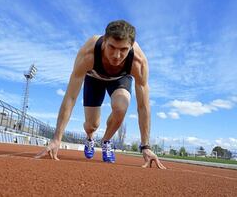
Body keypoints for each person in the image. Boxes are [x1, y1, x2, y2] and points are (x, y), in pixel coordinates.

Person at [35, 20, 166, 169]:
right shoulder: (88, 53)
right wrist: (57, 139)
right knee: (92, 125)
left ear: (131, 47)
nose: (117, 55)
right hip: (94, 78)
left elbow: (143, 106)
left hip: (120, 79)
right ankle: (90, 137)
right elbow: (70, 97)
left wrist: (145, 146)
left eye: (123, 49)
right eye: (112, 47)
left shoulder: (138, 62)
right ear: (104, 40)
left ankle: (106, 141)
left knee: (121, 106)